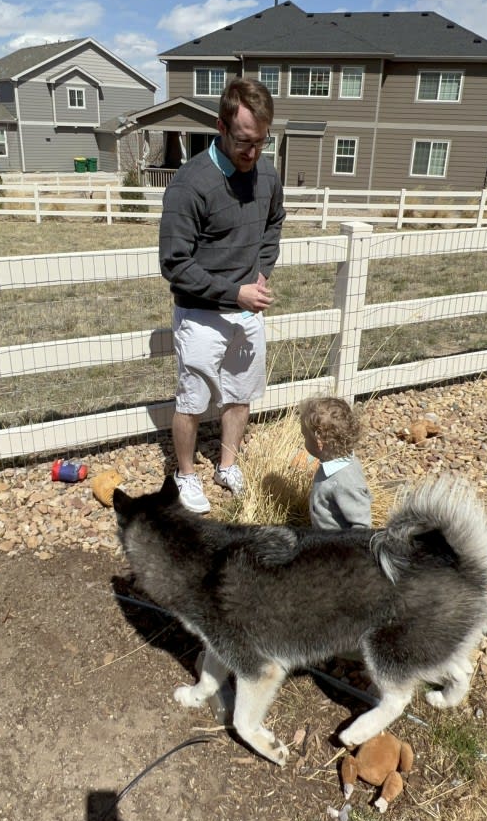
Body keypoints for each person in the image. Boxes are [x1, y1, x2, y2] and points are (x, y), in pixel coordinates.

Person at [159, 78, 285, 512]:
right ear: (221, 126)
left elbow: (273, 223)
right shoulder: (190, 184)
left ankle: (227, 465)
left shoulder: (267, 173)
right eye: (244, 141)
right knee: (192, 400)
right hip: (202, 314)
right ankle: (186, 474)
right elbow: (175, 265)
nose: (252, 152)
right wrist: (235, 293)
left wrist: (262, 273)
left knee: (240, 393)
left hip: (247, 309)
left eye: (261, 142)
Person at [299, 396, 373, 531]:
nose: (303, 441)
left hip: (337, 548)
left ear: (319, 441)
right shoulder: (333, 463)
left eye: (305, 436)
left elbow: (362, 526)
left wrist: (348, 550)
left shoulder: (345, 482)